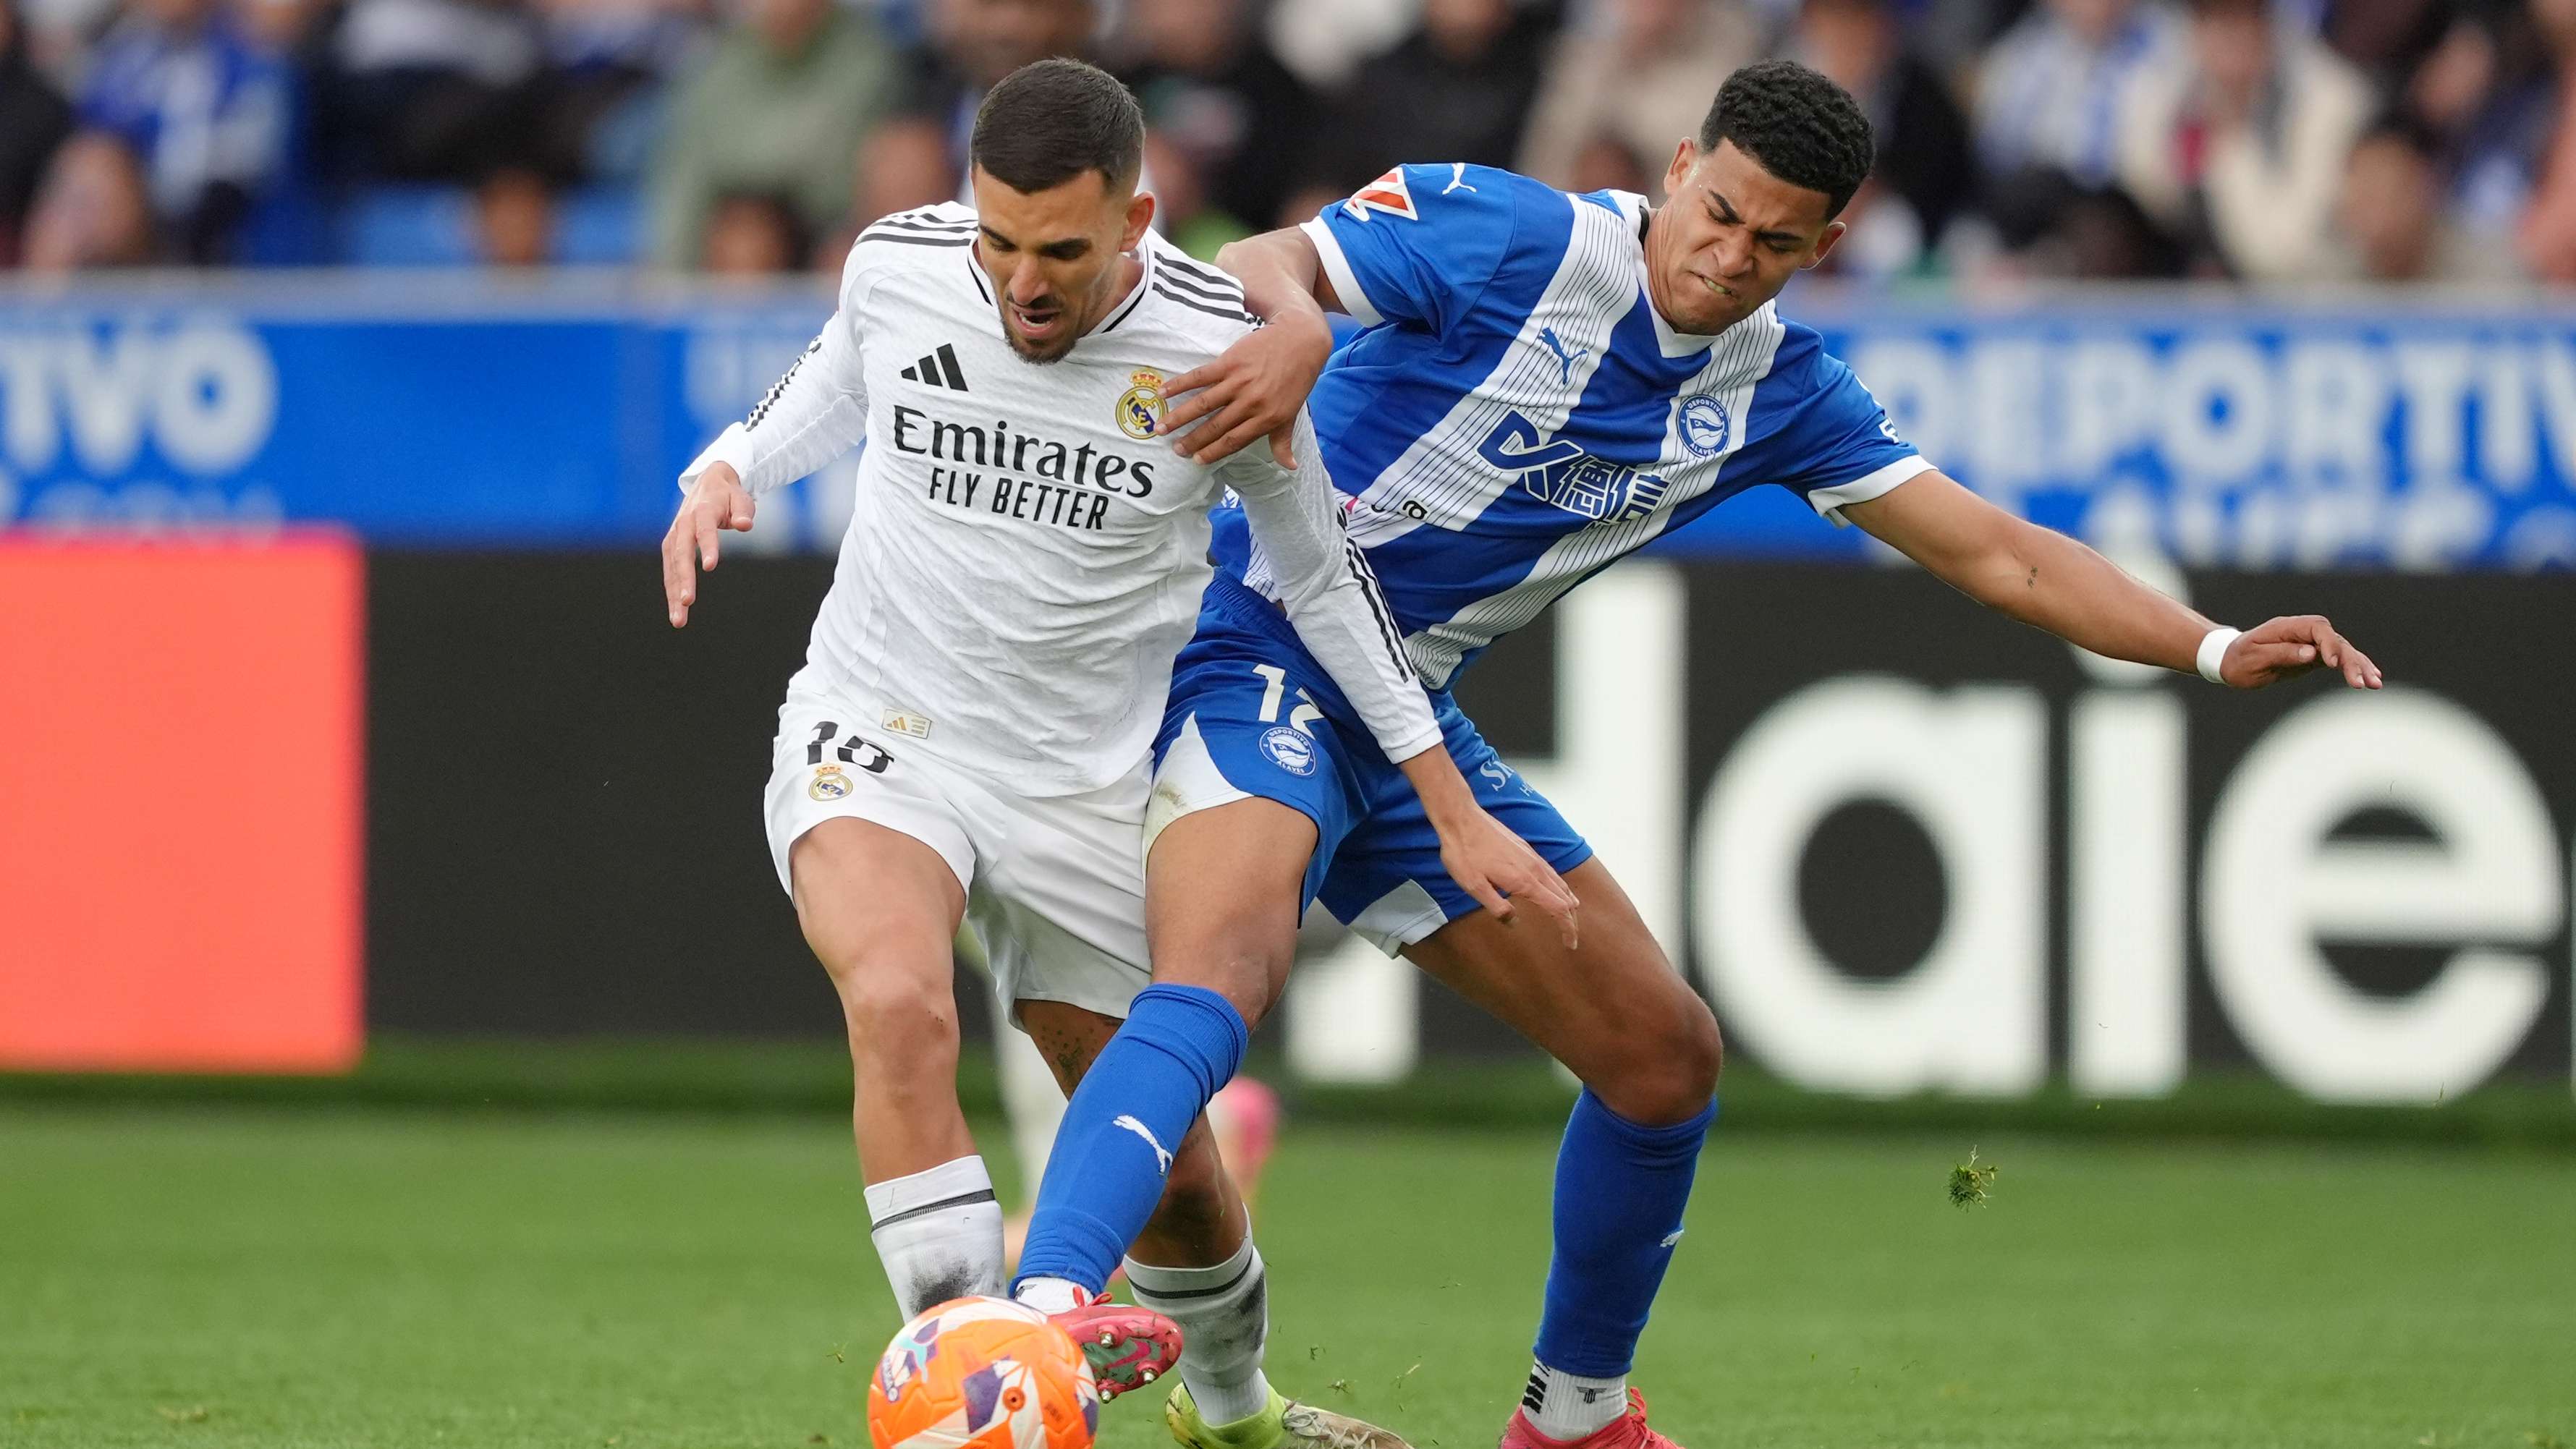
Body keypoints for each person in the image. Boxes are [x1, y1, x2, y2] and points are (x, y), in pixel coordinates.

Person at [1007, 59, 2385, 1449]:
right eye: (1717, 211)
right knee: (1222, 976)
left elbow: (2002, 557)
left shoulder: (1783, 390)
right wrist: (1297, 320)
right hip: (1247, 637)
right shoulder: (1514, 233)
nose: (1726, 258)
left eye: (1775, 242)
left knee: (1663, 1059)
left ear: (1827, 246)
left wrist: (2209, 645)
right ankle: (1039, 1311)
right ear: (1677, 167)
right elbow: (1261, 257)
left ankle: (1576, 1418)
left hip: (1404, 714)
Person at [657, 54, 1572, 1441]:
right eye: (999, 242)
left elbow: (1323, 583)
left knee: (1183, 1183)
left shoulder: (1220, 349)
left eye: (1062, 253)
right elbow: (840, 381)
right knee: (899, 1001)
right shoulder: (900, 263)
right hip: (885, 720)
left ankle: (1237, 1416)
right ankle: (978, 1387)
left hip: (1091, 780)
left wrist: (1446, 798)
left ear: (1138, 222)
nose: (1021, 282)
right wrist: (725, 466)